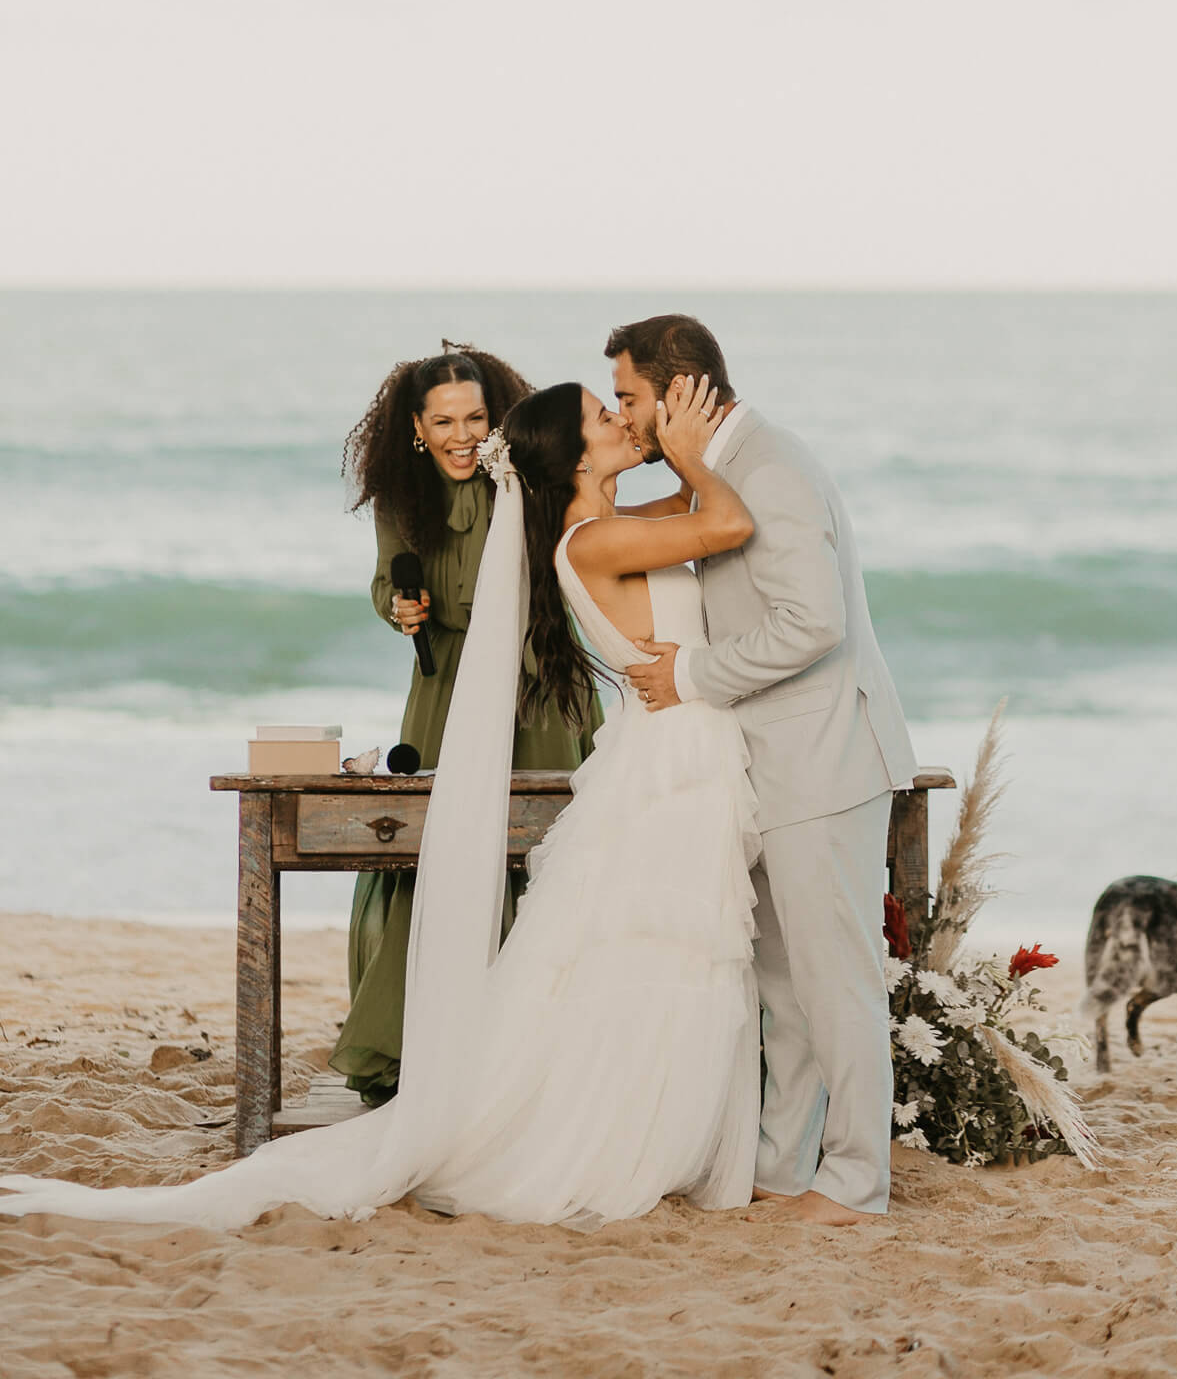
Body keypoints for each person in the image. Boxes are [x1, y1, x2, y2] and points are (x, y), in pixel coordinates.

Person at [0, 375, 762, 1228]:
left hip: (678, 751)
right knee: (662, 945)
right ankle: (625, 1135)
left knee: (662, 950)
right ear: (571, 455)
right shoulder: (590, 543)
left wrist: (685, 451)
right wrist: (692, 454)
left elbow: (696, 507)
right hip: (672, 759)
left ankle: (653, 1122)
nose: (621, 419)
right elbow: (729, 522)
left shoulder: (615, 525)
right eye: (601, 414)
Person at [609, 313, 917, 1226]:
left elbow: (812, 623)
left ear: (681, 394)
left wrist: (691, 677)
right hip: (776, 768)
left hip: (822, 759)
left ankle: (857, 1184)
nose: (625, 418)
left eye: (631, 398)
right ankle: (785, 1169)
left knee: (837, 983)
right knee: (784, 986)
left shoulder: (770, 470)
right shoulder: (731, 470)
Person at [332, 343, 601, 1106]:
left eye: (475, 418)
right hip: (444, 686)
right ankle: (411, 1046)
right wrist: (398, 606)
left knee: (544, 851)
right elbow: (388, 577)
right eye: (443, 420)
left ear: (497, 421)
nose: (459, 434)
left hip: (539, 684)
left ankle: (537, 1046)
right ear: (417, 427)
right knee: (436, 853)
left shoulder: (529, 479)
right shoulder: (400, 495)